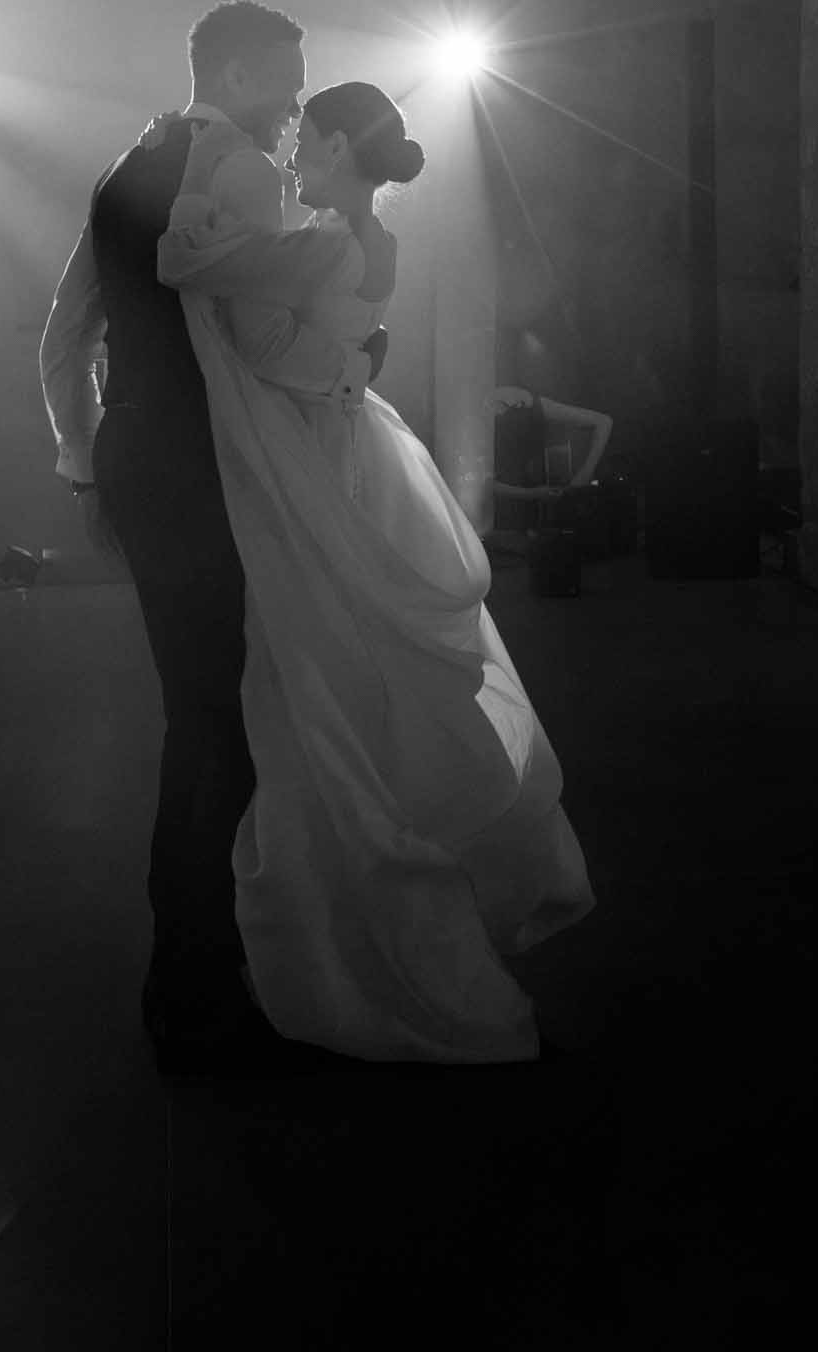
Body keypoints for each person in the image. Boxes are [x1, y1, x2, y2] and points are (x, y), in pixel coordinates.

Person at [150, 81, 595, 1063]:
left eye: (308, 138)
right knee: (355, 659)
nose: (294, 153)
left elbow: (204, 283)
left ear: (342, 143)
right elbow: (353, 350)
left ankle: (359, 920)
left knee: (313, 666)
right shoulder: (365, 241)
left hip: (312, 458)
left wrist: (192, 180)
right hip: (349, 444)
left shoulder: (323, 241)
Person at [39, 0, 385, 1074]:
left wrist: (87, 457)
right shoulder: (233, 170)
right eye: (285, 81)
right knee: (221, 725)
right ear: (234, 74)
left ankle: (193, 969)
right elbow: (262, 347)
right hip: (211, 471)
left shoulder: (123, 168)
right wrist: (352, 361)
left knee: (200, 716)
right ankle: (192, 984)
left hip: (142, 462)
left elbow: (65, 337)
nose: (294, 103)